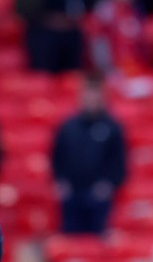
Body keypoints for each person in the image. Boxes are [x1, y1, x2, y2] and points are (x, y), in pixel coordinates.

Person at [51, 74, 128, 235]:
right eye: (87, 94)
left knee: (97, 240)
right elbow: (57, 156)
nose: (91, 99)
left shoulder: (113, 127)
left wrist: (109, 184)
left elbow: (119, 161)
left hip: (99, 196)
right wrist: (60, 181)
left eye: (95, 94)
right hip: (71, 194)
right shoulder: (68, 126)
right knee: (70, 238)